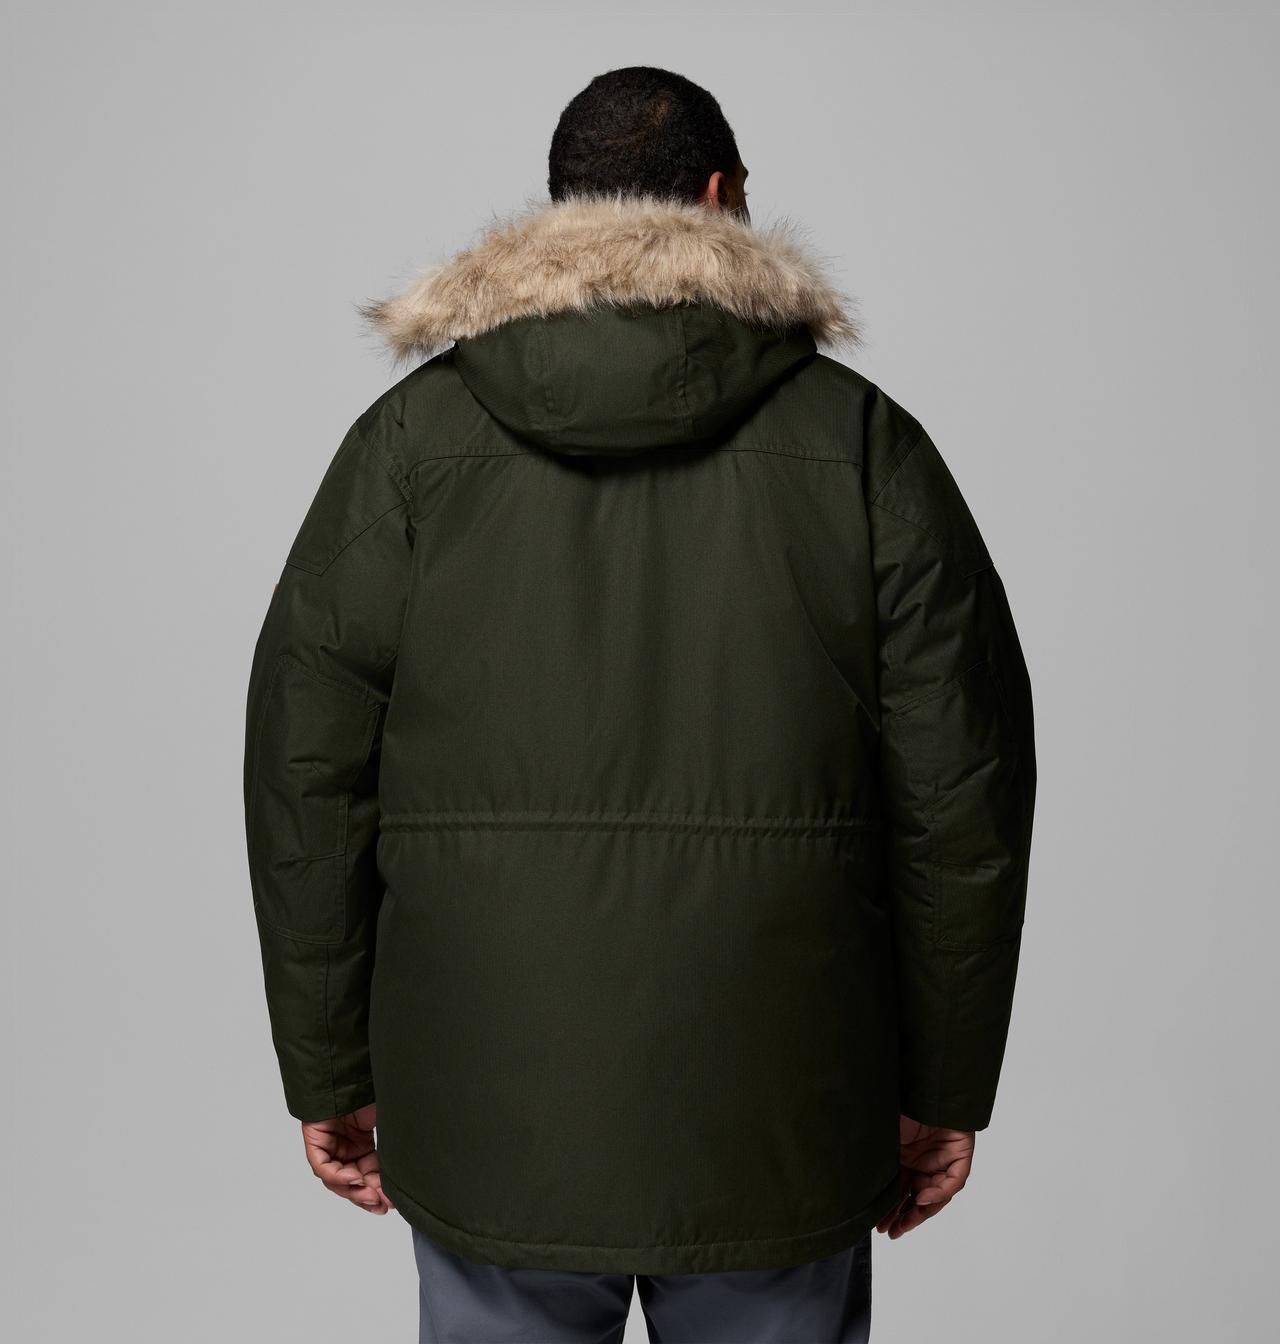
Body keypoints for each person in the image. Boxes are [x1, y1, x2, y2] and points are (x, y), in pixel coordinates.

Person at [243, 64, 1036, 1344]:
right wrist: (943, 1084)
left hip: (490, 1100)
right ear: (720, 196)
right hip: (779, 1109)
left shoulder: (408, 447)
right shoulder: (859, 447)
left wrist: (329, 1062)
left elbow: (306, 774)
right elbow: (963, 798)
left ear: (560, 207)